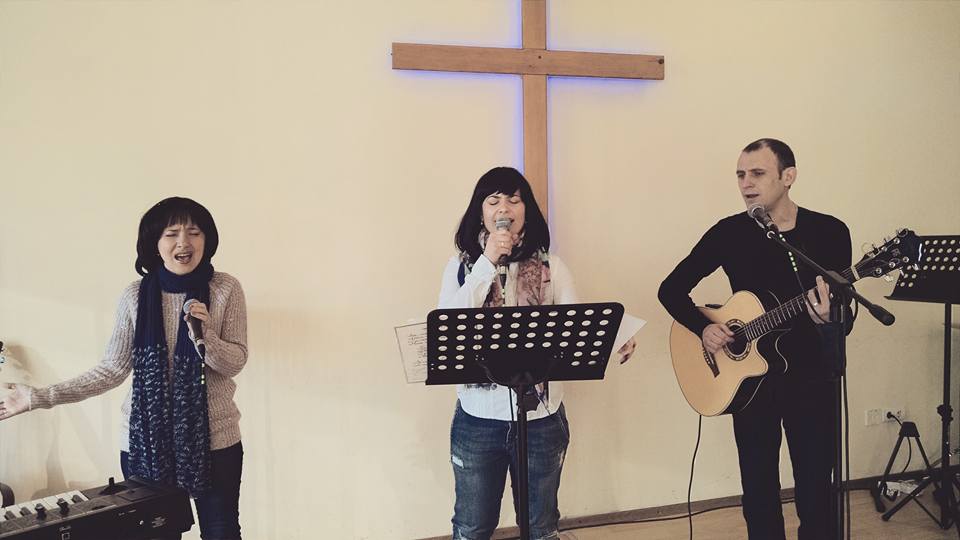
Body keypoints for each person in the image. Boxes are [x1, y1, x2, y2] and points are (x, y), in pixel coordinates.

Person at [0, 197, 248, 540]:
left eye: (194, 232)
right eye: (171, 233)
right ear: (154, 243)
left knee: (222, 532)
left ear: (207, 240)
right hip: (146, 444)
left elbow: (235, 361)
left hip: (216, 442)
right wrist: (38, 397)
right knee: (156, 535)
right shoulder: (135, 296)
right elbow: (112, 369)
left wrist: (205, 337)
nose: (184, 242)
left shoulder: (224, 289)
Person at [658, 139, 851, 540]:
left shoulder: (829, 232)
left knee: (817, 485)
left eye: (757, 173)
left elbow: (844, 318)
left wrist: (829, 319)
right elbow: (670, 289)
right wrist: (703, 327)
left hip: (812, 377)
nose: (746, 183)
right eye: (740, 175)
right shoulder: (728, 233)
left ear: (788, 176)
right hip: (751, 383)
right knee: (758, 488)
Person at [438, 166, 578, 540]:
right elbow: (447, 326)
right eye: (494, 200)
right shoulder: (460, 268)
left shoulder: (552, 267)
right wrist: (486, 263)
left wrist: (618, 338)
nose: (504, 208)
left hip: (541, 418)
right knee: (472, 526)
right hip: (478, 418)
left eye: (514, 200)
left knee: (541, 527)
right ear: (480, 212)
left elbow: (575, 326)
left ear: (526, 211)